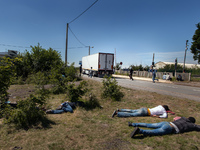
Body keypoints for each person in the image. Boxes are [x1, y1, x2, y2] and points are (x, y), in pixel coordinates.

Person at [129, 116, 200, 138]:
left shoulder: (183, 118)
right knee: (154, 132)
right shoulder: (192, 125)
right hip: (170, 128)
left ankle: (133, 124)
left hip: (166, 123)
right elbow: (198, 127)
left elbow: (175, 118)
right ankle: (140, 131)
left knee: (149, 124)